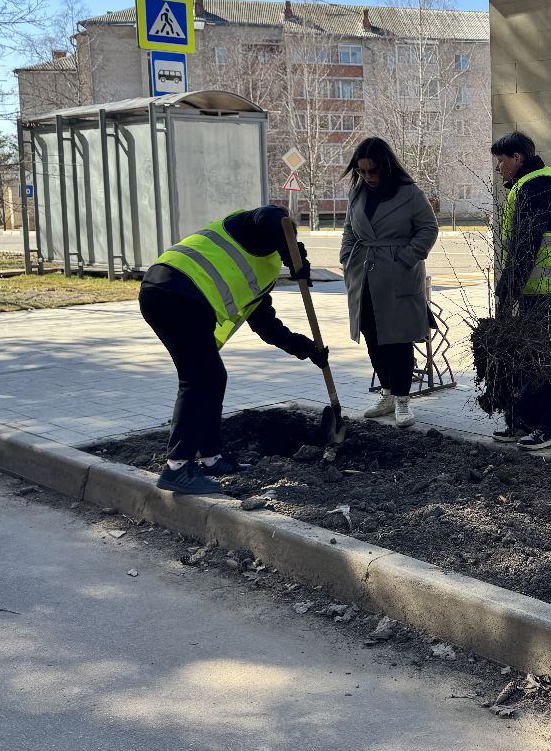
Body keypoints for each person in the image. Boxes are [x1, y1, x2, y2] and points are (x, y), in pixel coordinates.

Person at [139, 206, 328, 495]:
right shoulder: (249, 227)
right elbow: (270, 217)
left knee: (213, 376)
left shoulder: (263, 271)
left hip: (172, 293)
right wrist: (295, 258)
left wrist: (309, 349)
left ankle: (211, 457)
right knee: (200, 378)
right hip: (175, 290)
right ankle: (177, 467)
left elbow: (268, 328)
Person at [490, 131, 551, 451]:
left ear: (517, 158)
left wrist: (508, 289)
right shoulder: (529, 184)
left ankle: (550, 427)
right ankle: (528, 422)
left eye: (501, 162)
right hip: (539, 288)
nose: (498, 168)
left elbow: (526, 245)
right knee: (532, 356)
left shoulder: (540, 184)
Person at [339, 137, 438, 427]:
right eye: (362, 171)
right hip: (363, 275)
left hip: (396, 277)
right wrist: (347, 256)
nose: (367, 177)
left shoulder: (409, 193)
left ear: (386, 167)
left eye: (373, 171)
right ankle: (387, 394)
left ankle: (403, 401)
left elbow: (428, 228)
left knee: (398, 340)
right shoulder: (358, 192)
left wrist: (406, 259)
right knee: (372, 337)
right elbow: (349, 228)